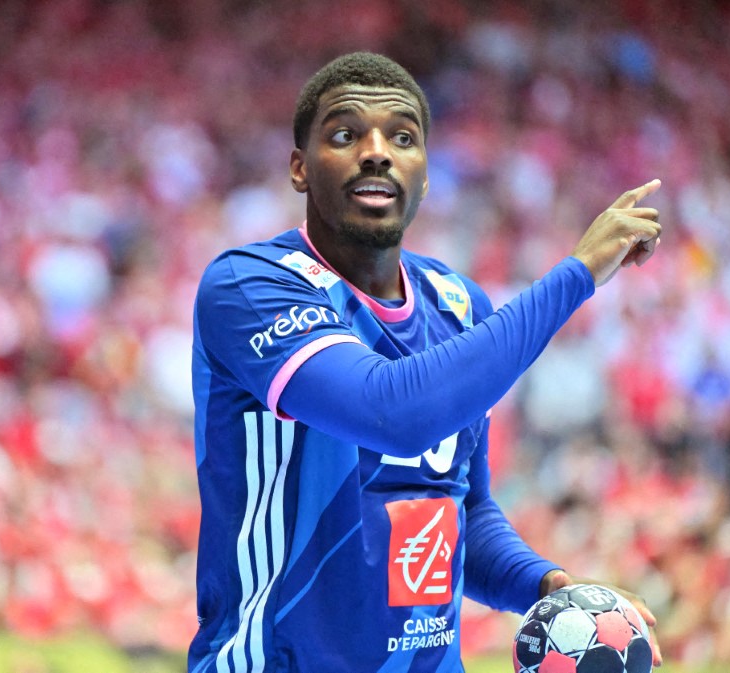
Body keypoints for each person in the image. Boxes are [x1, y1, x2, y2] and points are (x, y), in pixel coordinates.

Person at [189, 51, 664, 673]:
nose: (377, 152)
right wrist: (577, 275)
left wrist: (546, 585)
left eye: (403, 137)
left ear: (426, 175)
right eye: (345, 134)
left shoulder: (459, 304)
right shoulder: (249, 285)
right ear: (300, 168)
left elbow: (461, 506)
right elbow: (391, 413)